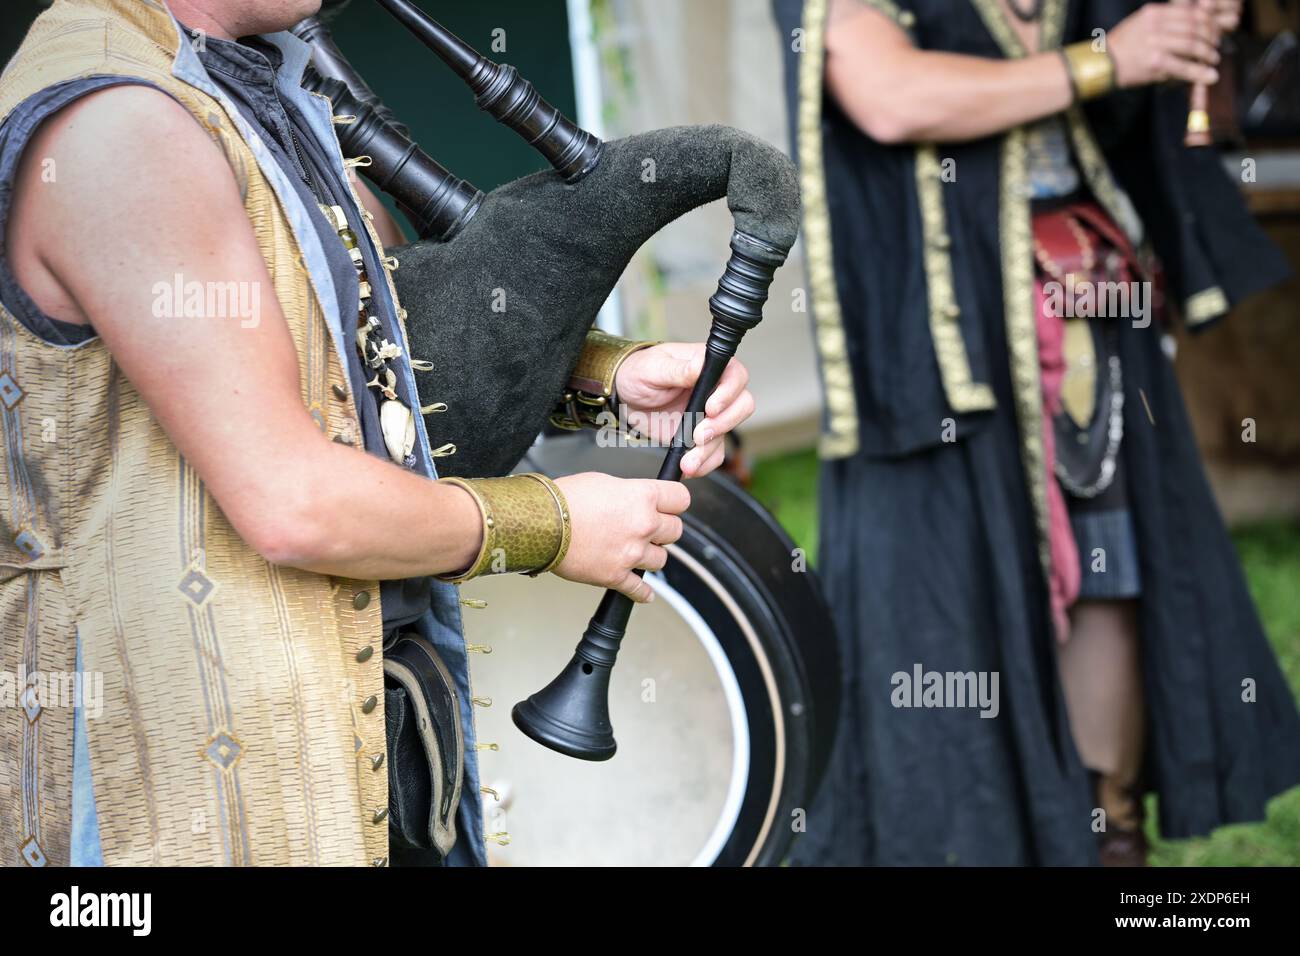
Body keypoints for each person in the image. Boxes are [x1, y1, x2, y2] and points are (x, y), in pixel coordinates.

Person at [0, 0, 755, 867]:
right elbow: (292, 502)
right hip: (173, 800)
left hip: (358, 727)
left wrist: (604, 377)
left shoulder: (247, 75)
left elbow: (370, 344)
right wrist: (555, 526)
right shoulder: (118, 126)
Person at [775, 0, 1300, 864]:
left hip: (1083, 302)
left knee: (1111, 575)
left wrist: (1178, 26)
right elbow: (889, 95)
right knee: (944, 610)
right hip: (934, 340)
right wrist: (1106, 60)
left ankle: (1106, 831)